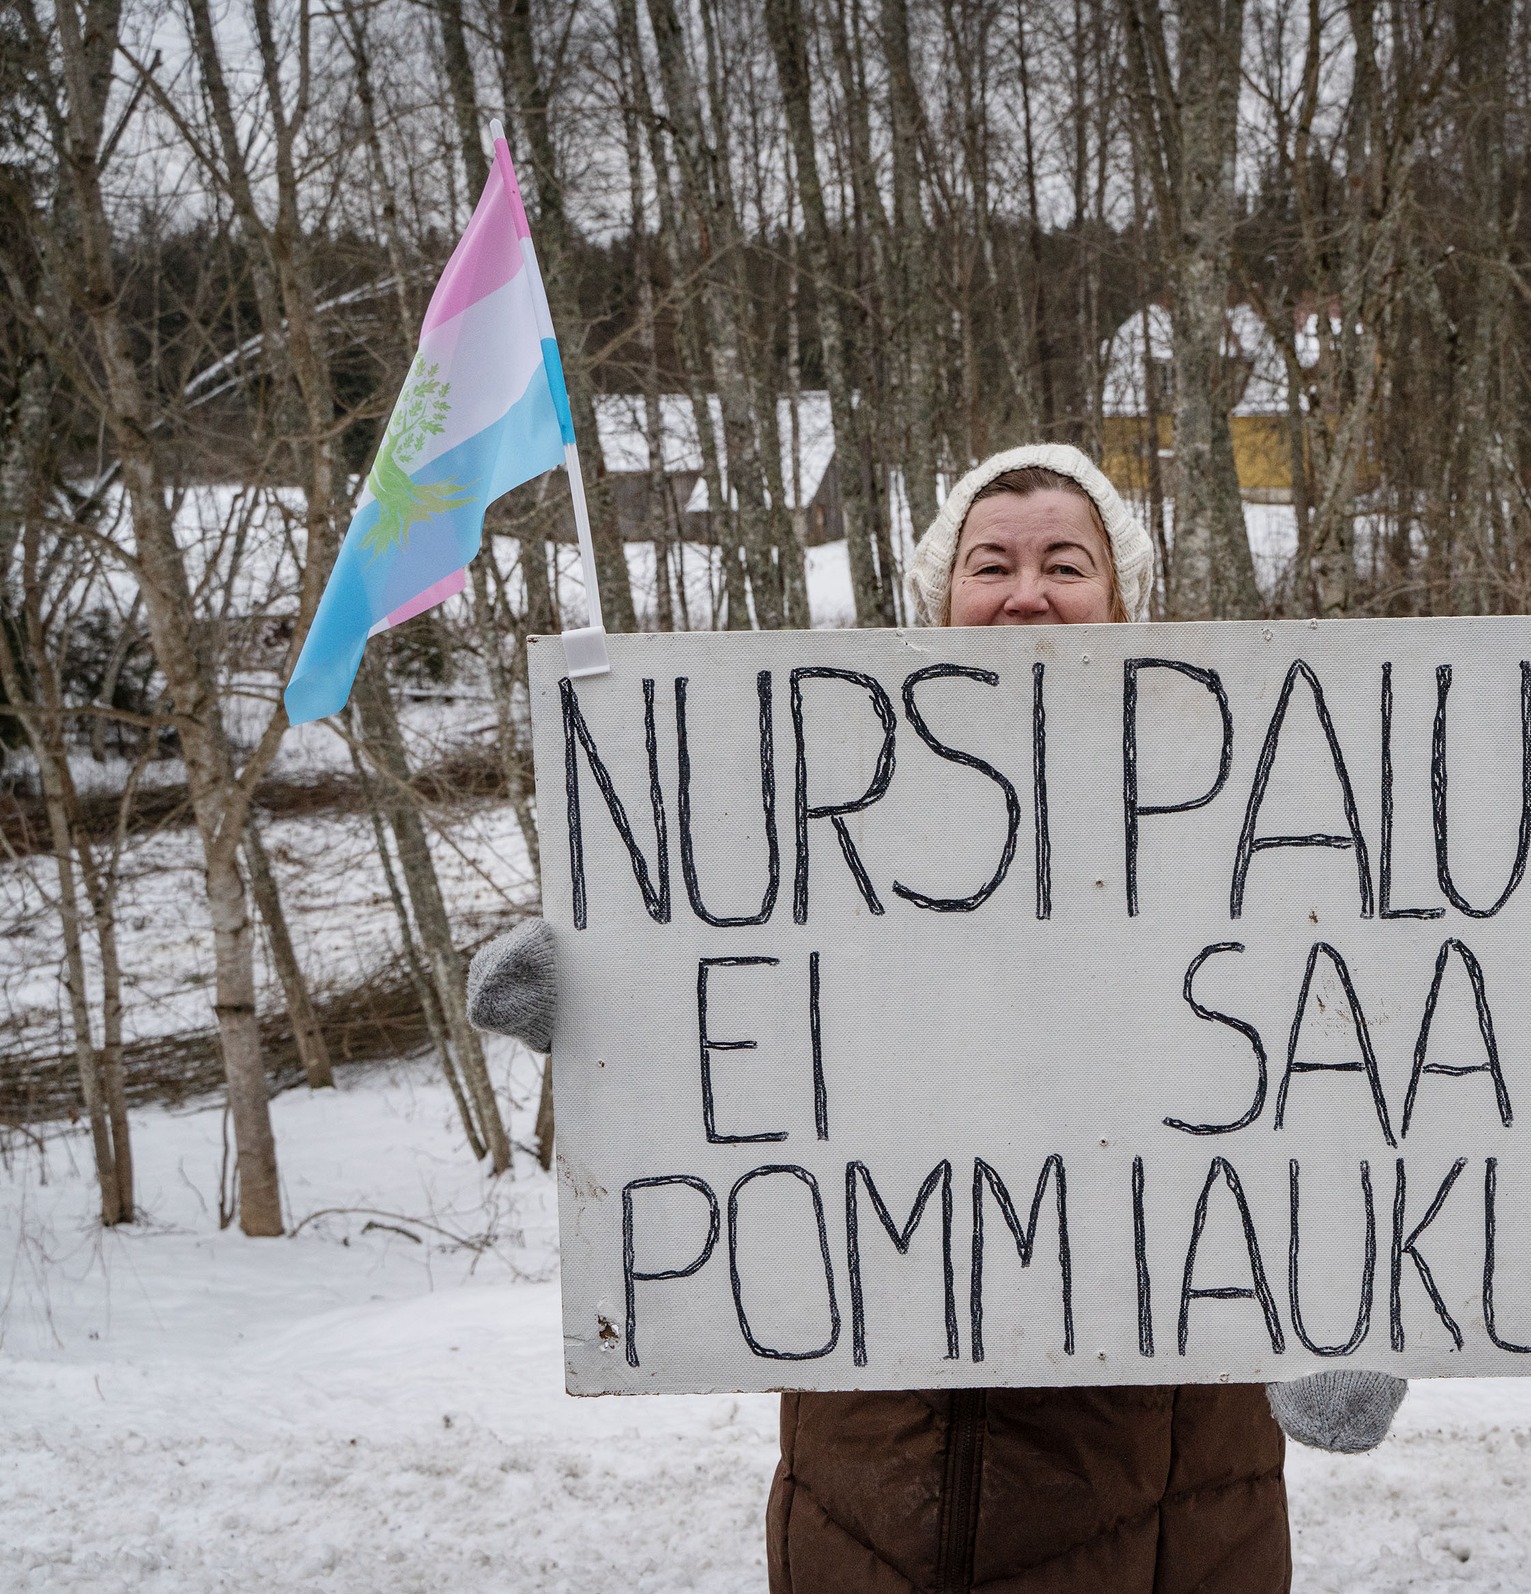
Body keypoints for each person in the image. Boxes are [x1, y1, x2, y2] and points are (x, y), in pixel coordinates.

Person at [469, 443, 1405, 1593]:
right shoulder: (824, 809)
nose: (1025, 594)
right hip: (873, 1485)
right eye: (989, 565)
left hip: (1150, 1495)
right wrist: (616, 992)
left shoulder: (1244, 808)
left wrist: (1339, 1307)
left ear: (1122, 599)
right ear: (941, 598)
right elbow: (759, 1026)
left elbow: (1326, 1067)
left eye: (1065, 563)